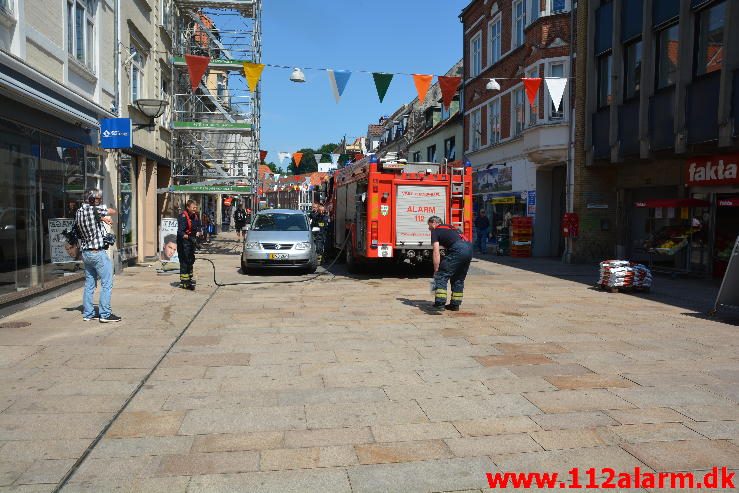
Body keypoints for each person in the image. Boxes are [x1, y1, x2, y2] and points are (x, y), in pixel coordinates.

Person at [75, 189, 120, 323]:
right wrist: (105, 213)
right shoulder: (94, 209)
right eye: (98, 198)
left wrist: (102, 218)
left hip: (86, 253)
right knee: (107, 283)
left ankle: (88, 313)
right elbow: (113, 211)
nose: (99, 200)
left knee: (89, 284)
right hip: (97, 252)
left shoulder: (79, 212)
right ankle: (105, 314)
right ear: (91, 199)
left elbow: (92, 217)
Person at [428, 216, 473, 312]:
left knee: (441, 275)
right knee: (458, 277)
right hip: (469, 249)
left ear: (434, 222)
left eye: (429, 225)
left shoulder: (436, 231)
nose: (429, 228)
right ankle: (455, 304)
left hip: (458, 249)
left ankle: (439, 303)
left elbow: (436, 251)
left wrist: (436, 269)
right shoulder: (451, 227)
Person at [177, 200, 202, 290]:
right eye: (193, 208)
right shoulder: (183, 216)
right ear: (188, 207)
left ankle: (189, 279)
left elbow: (199, 225)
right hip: (183, 242)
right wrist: (188, 237)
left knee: (191, 260)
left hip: (191, 241)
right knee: (185, 261)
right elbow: (180, 232)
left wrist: (199, 231)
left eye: (196, 208)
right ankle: (184, 283)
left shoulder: (195, 216)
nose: (195, 209)